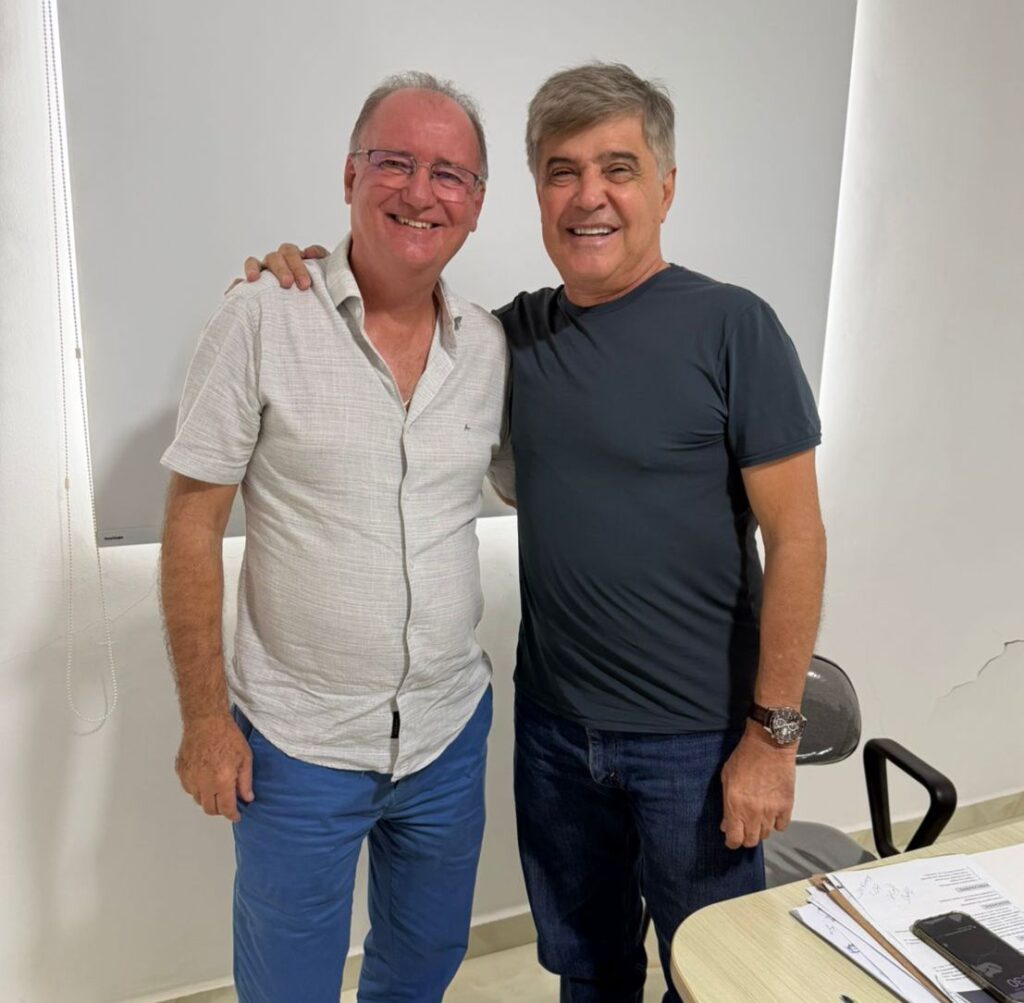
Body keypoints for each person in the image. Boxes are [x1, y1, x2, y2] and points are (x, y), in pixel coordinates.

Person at [251, 61, 826, 1003]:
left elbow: (797, 538)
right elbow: (398, 311)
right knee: (587, 972)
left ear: (666, 187)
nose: (589, 195)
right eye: (563, 171)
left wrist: (772, 737)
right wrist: (307, 276)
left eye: (618, 168)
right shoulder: (508, 341)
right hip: (556, 733)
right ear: (535, 196)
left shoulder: (734, 327)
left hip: (697, 741)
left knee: (714, 979)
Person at [159, 72, 512, 1003]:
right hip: (297, 745)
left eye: (449, 173)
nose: (420, 191)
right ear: (351, 174)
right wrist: (205, 721)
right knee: (288, 987)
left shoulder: (490, 348)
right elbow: (192, 523)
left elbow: (542, 480)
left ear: (477, 203)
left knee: (424, 964)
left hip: (445, 733)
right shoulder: (261, 316)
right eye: (395, 162)